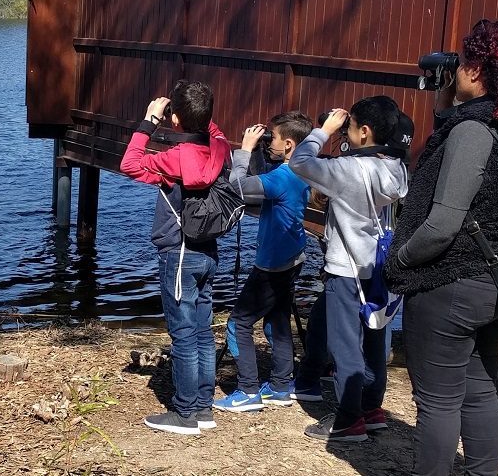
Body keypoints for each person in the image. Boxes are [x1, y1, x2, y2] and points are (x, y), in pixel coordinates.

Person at [383, 18, 498, 476]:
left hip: (449, 283)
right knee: (480, 388)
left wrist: (400, 260)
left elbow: (442, 224)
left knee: (438, 401)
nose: (459, 69)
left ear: (482, 69)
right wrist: (447, 103)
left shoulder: (472, 132)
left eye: (465, 61)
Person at [289, 96, 411, 442]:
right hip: (378, 267)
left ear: (364, 131)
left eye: (351, 126)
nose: (348, 131)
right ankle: (372, 410)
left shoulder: (347, 170)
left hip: (345, 268)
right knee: (375, 337)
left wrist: (322, 131)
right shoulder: (397, 169)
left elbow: (299, 161)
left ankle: (347, 420)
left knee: (345, 344)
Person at [119, 80, 231, 435]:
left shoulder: (174, 159)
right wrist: (199, 117)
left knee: (182, 335)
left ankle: (184, 415)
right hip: (209, 252)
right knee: (201, 332)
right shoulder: (219, 150)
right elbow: (214, 131)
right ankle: (203, 407)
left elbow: (130, 163)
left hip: (178, 254)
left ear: (176, 120)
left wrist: (149, 122)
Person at [214, 112, 313, 412]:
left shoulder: (281, 178)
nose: (268, 142)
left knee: (239, 323)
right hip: (293, 258)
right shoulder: (304, 172)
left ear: (289, 145)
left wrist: (244, 150)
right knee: (277, 322)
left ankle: (247, 391)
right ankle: (282, 386)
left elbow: (237, 187)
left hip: (271, 266)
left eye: (273, 138)